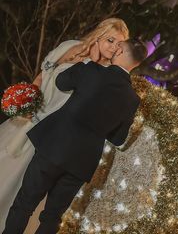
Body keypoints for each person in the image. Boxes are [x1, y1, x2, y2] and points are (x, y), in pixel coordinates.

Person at [2, 39, 146, 234]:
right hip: (81, 162)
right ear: (136, 64)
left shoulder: (91, 71)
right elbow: (118, 138)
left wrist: (85, 64)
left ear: (119, 50)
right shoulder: (132, 99)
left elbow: (61, 82)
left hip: (54, 146)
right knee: (52, 217)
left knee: (24, 204)